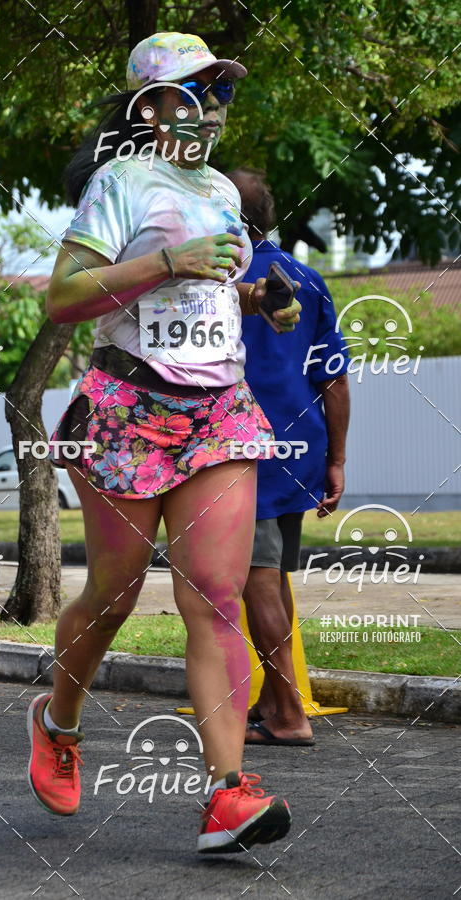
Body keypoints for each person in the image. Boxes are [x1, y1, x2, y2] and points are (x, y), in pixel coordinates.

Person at [26, 33, 302, 854]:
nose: (211, 105)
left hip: (218, 407)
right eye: (193, 90)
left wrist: (257, 301)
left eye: (218, 90)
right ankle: (58, 719)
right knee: (112, 595)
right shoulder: (120, 181)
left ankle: (227, 797)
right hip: (128, 403)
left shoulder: (220, 187)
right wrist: (167, 261)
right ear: (153, 106)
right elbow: (64, 297)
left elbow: (205, 296)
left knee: (214, 598)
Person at [227, 167, 349, 747]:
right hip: (302, 446)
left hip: (242, 446)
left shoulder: (215, 281)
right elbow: (336, 382)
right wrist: (337, 461)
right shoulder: (308, 279)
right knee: (273, 581)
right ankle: (275, 704)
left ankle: (288, 715)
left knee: (258, 582)